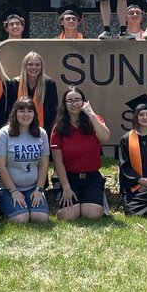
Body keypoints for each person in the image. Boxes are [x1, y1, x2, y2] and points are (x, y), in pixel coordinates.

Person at [49, 86, 111, 221]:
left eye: (78, 100)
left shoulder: (94, 120)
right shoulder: (58, 128)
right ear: (64, 105)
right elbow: (58, 162)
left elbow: (105, 137)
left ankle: (90, 201)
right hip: (68, 177)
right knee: (68, 216)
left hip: (91, 177)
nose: (74, 103)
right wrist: (66, 187)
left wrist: (91, 114)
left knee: (93, 215)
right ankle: (74, 203)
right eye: (69, 101)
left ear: (83, 102)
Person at [0, 98, 51, 224]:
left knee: (41, 219)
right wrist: (13, 191)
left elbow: (43, 164)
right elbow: (0, 166)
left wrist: (39, 190)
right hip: (6, 187)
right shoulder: (4, 134)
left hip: (32, 187)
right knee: (20, 219)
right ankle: (3, 208)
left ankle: (25, 206)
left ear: (34, 114)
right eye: (21, 111)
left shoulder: (42, 134)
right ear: (15, 113)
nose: (26, 115)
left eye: (30, 111)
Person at [6, 51, 59, 133]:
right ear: (24, 66)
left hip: (43, 131)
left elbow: (53, 112)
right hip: (17, 130)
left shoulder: (49, 84)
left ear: (42, 67)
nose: (34, 67)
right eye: (30, 64)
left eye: (37, 65)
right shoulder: (14, 84)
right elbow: (10, 110)